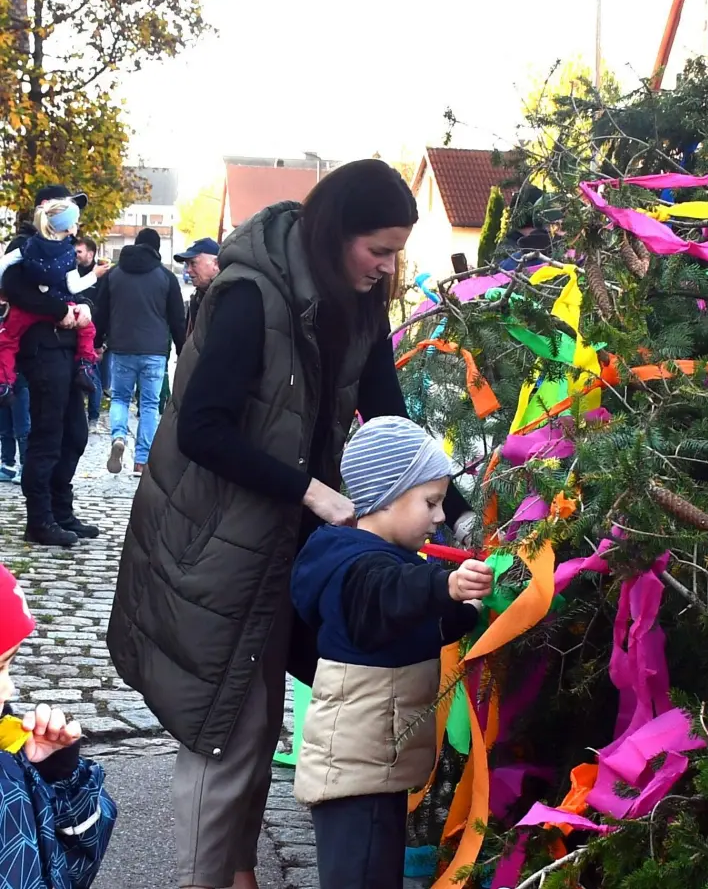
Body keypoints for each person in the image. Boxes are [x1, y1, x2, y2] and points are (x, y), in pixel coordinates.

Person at [109, 159, 475, 889]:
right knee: (227, 728)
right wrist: (311, 492)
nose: (389, 265)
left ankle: (238, 869)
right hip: (216, 540)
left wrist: (454, 509)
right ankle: (205, 877)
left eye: (397, 250)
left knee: (260, 711)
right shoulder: (249, 296)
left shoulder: (357, 302)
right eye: (379, 249)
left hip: (287, 542)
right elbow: (202, 431)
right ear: (337, 235)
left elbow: (391, 416)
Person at [292, 417, 490, 888]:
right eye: (431, 502)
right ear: (387, 496)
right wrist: (446, 584)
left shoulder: (379, 564)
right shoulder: (360, 567)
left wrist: (465, 613)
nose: (441, 517)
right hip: (356, 777)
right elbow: (389, 595)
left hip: (374, 768)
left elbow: (403, 629)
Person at [0, 561, 119, 887]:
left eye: (8, 666)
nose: (9, 689)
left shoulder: (9, 756)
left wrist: (61, 779)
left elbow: (65, 870)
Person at [1, 186, 101, 548]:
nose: (74, 219)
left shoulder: (63, 248)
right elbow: (13, 289)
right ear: (48, 209)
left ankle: (61, 511)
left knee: (74, 434)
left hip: (68, 350)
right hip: (41, 349)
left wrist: (86, 307)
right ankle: (40, 519)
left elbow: (76, 287)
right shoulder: (23, 245)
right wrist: (60, 311)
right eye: (69, 210)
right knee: (47, 437)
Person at [101, 228, 186, 476]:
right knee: (149, 404)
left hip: (122, 348)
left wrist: (96, 341)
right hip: (154, 351)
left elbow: (102, 311)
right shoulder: (166, 278)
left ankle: (118, 436)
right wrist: (182, 350)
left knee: (119, 398)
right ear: (156, 249)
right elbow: (177, 320)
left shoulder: (114, 275)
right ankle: (142, 460)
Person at [73, 238, 110, 431]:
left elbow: (107, 308)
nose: (75, 255)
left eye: (79, 251)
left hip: (94, 334)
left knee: (93, 375)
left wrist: (103, 341)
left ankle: (93, 417)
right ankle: (78, 414)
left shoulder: (103, 276)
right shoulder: (72, 273)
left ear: (91, 253)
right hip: (72, 332)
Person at [174, 237, 220, 339]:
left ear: (216, 264)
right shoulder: (198, 297)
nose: (188, 270)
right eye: (187, 264)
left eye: (193, 263)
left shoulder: (227, 297)